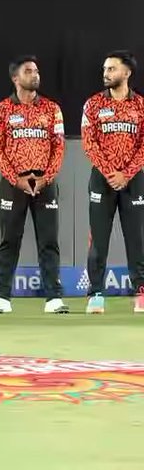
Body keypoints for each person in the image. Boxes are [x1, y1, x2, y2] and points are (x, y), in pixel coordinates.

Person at [0, 56, 67, 315]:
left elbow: (59, 146)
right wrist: (15, 178)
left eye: (36, 70)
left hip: (45, 183)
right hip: (13, 184)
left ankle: (54, 298)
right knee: (9, 241)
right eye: (28, 71)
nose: (35, 75)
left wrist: (47, 177)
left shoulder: (52, 109)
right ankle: (1, 297)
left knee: (49, 241)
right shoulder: (1, 110)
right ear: (15, 78)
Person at [80, 50, 144, 315]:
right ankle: (96, 293)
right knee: (99, 238)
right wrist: (110, 172)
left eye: (112, 69)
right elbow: (89, 142)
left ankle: (140, 292)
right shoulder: (93, 104)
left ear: (127, 72)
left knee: (137, 237)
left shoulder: (140, 105)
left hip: (134, 180)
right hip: (102, 180)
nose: (106, 73)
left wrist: (126, 173)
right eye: (105, 69)